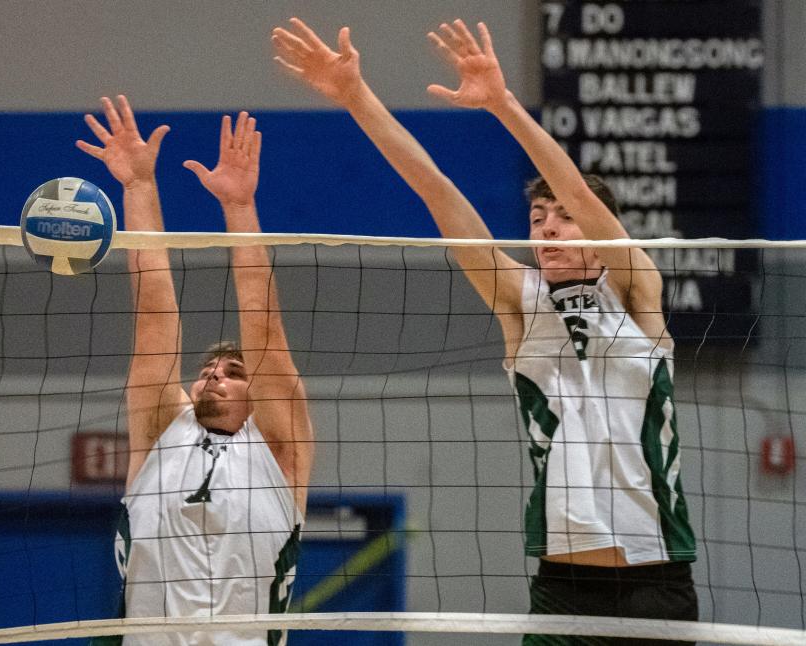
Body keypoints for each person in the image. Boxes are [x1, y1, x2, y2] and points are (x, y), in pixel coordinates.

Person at [272, 17, 697, 645]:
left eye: (564, 219)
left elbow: (578, 191)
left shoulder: (635, 289)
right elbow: (438, 193)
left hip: (656, 580)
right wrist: (356, 97)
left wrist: (502, 103)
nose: (549, 228)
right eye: (536, 216)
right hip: (562, 584)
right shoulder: (520, 301)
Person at [77, 95, 313, 646]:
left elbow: (264, 327)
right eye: (207, 368)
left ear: (258, 395)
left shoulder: (279, 448)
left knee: (262, 332)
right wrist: (137, 187)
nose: (213, 374)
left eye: (234, 370)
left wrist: (239, 208)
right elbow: (154, 311)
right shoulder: (164, 427)